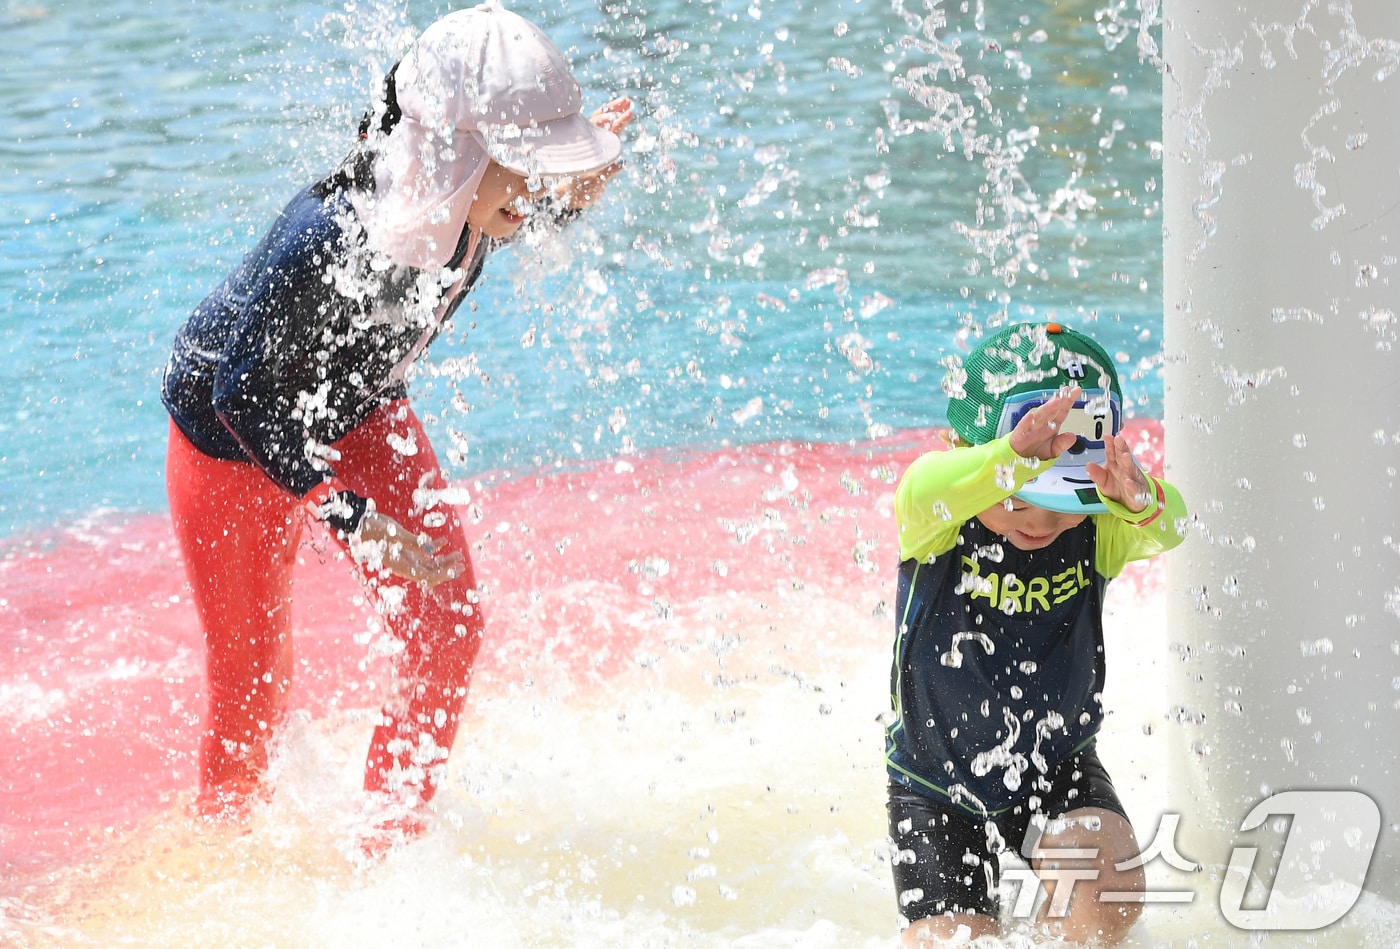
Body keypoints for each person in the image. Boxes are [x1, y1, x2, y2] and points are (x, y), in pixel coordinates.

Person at [160, 2, 634, 839]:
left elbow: (508, 214)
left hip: (360, 407)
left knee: (447, 622)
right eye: (527, 164)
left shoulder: (465, 206)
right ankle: (223, 857)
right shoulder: (328, 235)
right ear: (457, 151)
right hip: (232, 434)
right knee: (252, 674)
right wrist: (345, 512)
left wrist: (573, 197)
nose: (536, 188)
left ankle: (385, 844)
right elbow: (241, 387)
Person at [883, 322, 1188, 945]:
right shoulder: (936, 519)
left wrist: (1139, 501)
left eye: (1063, 499)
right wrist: (1010, 459)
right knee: (953, 940)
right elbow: (923, 482)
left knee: (1110, 894)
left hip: (1057, 763)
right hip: (936, 780)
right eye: (1020, 496)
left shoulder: (1099, 526)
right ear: (971, 456)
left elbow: (1175, 525)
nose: (1041, 520)